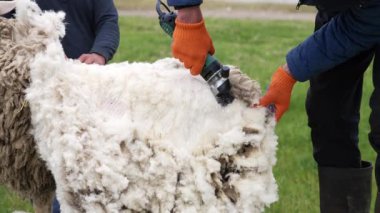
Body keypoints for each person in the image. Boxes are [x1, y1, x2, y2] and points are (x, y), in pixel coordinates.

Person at [167, 0, 380, 212]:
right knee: (327, 114)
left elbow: (369, 20)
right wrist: (187, 11)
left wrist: (290, 72)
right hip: (344, 8)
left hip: (371, 12)